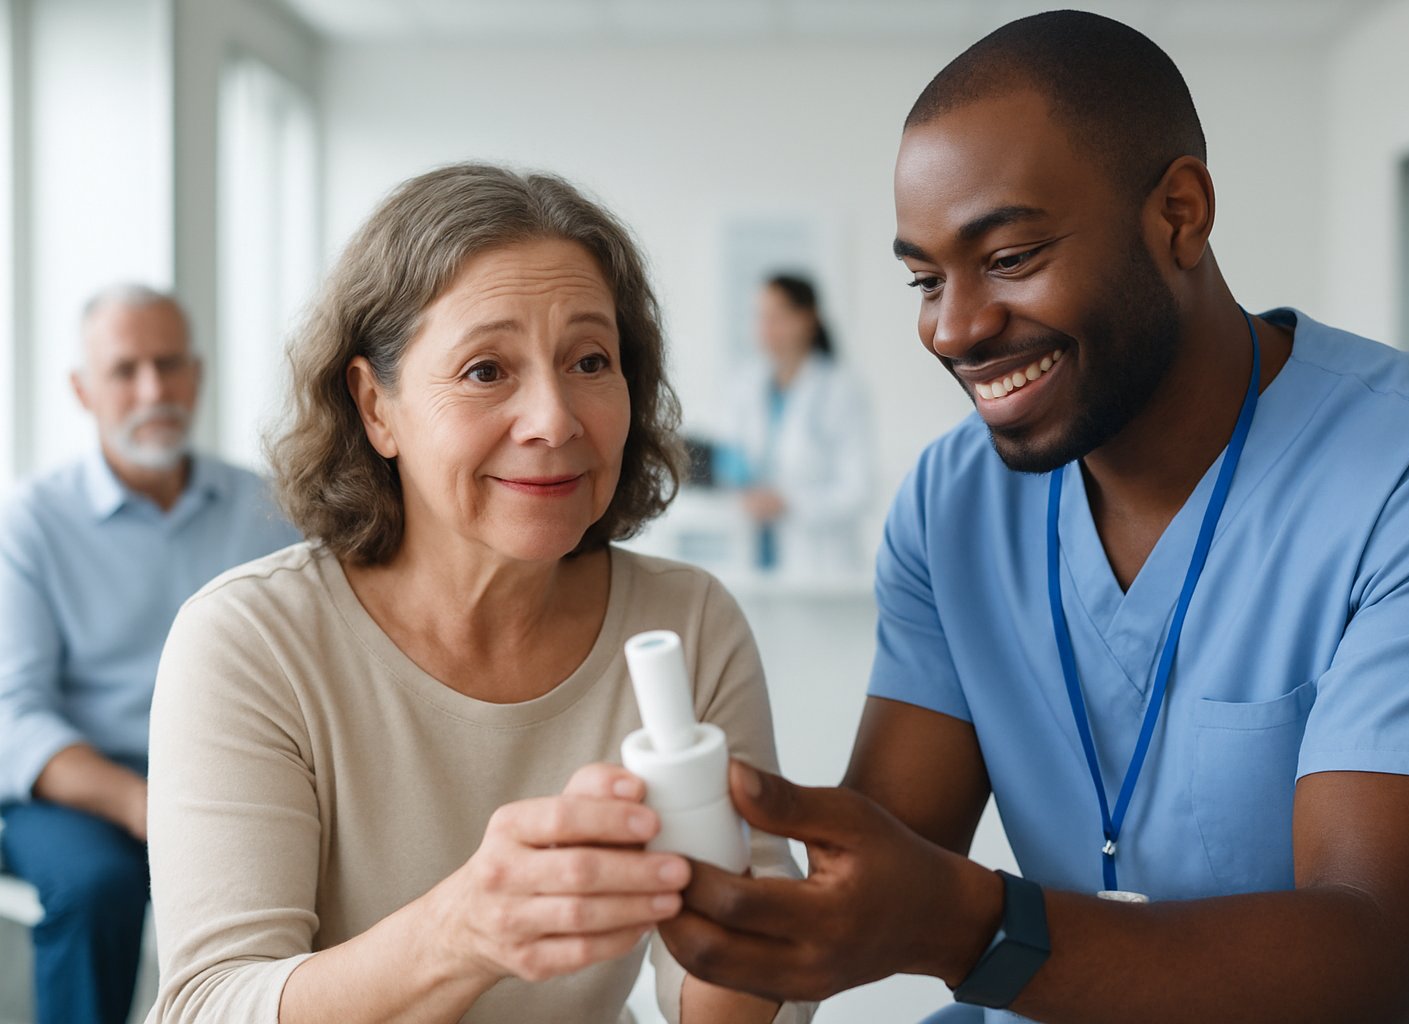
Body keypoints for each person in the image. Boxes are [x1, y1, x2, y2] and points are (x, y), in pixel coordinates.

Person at [655, 11, 1409, 1022]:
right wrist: (695, 864)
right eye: (926, 279)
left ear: (1181, 213)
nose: (954, 327)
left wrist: (969, 927)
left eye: (1013, 256)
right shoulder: (955, 506)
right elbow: (883, 868)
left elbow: (1371, 957)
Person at [145, 164, 812, 1024]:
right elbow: (206, 1007)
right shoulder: (247, 643)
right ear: (375, 406)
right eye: (487, 369)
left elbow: (751, 1003)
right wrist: (462, 933)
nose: (555, 420)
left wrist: (737, 919)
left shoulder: (688, 623)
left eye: (590, 360)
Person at [0, 284, 298, 1024]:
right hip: (80, 792)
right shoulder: (28, 525)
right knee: (97, 884)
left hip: (232, 772)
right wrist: (145, 805)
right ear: (82, 389)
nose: (153, 389)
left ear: (196, 375)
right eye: (125, 370)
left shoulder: (271, 509)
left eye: (169, 365)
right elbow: (14, 717)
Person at [717, 274, 873, 576]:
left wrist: (788, 503)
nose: (765, 329)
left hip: (820, 565)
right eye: (761, 317)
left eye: (776, 317)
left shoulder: (841, 390)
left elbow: (858, 489)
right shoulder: (746, 386)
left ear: (807, 319)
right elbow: (734, 462)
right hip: (754, 555)